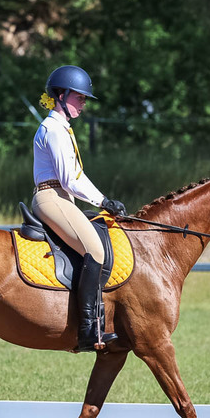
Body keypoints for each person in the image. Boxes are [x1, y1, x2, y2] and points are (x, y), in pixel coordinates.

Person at [32, 65, 127, 352]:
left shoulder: (62, 129)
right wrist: (102, 201)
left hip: (62, 198)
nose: (83, 104)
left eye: (84, 99)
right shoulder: (53, 130)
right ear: (61, 96)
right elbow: (69, 179)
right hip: (52, 196)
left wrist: (104, 200)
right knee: (95, 249)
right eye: (80, 98)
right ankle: (88, 329)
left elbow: (76, 176)